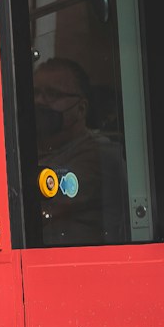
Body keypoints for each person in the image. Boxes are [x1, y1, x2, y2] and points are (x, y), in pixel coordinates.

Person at [31, 55, 130, 247]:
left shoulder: (99, 155)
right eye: (35, 93)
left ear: (81, 108)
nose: (40, 101)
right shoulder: (34, 150)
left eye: (53, 94)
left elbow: (38, 210)